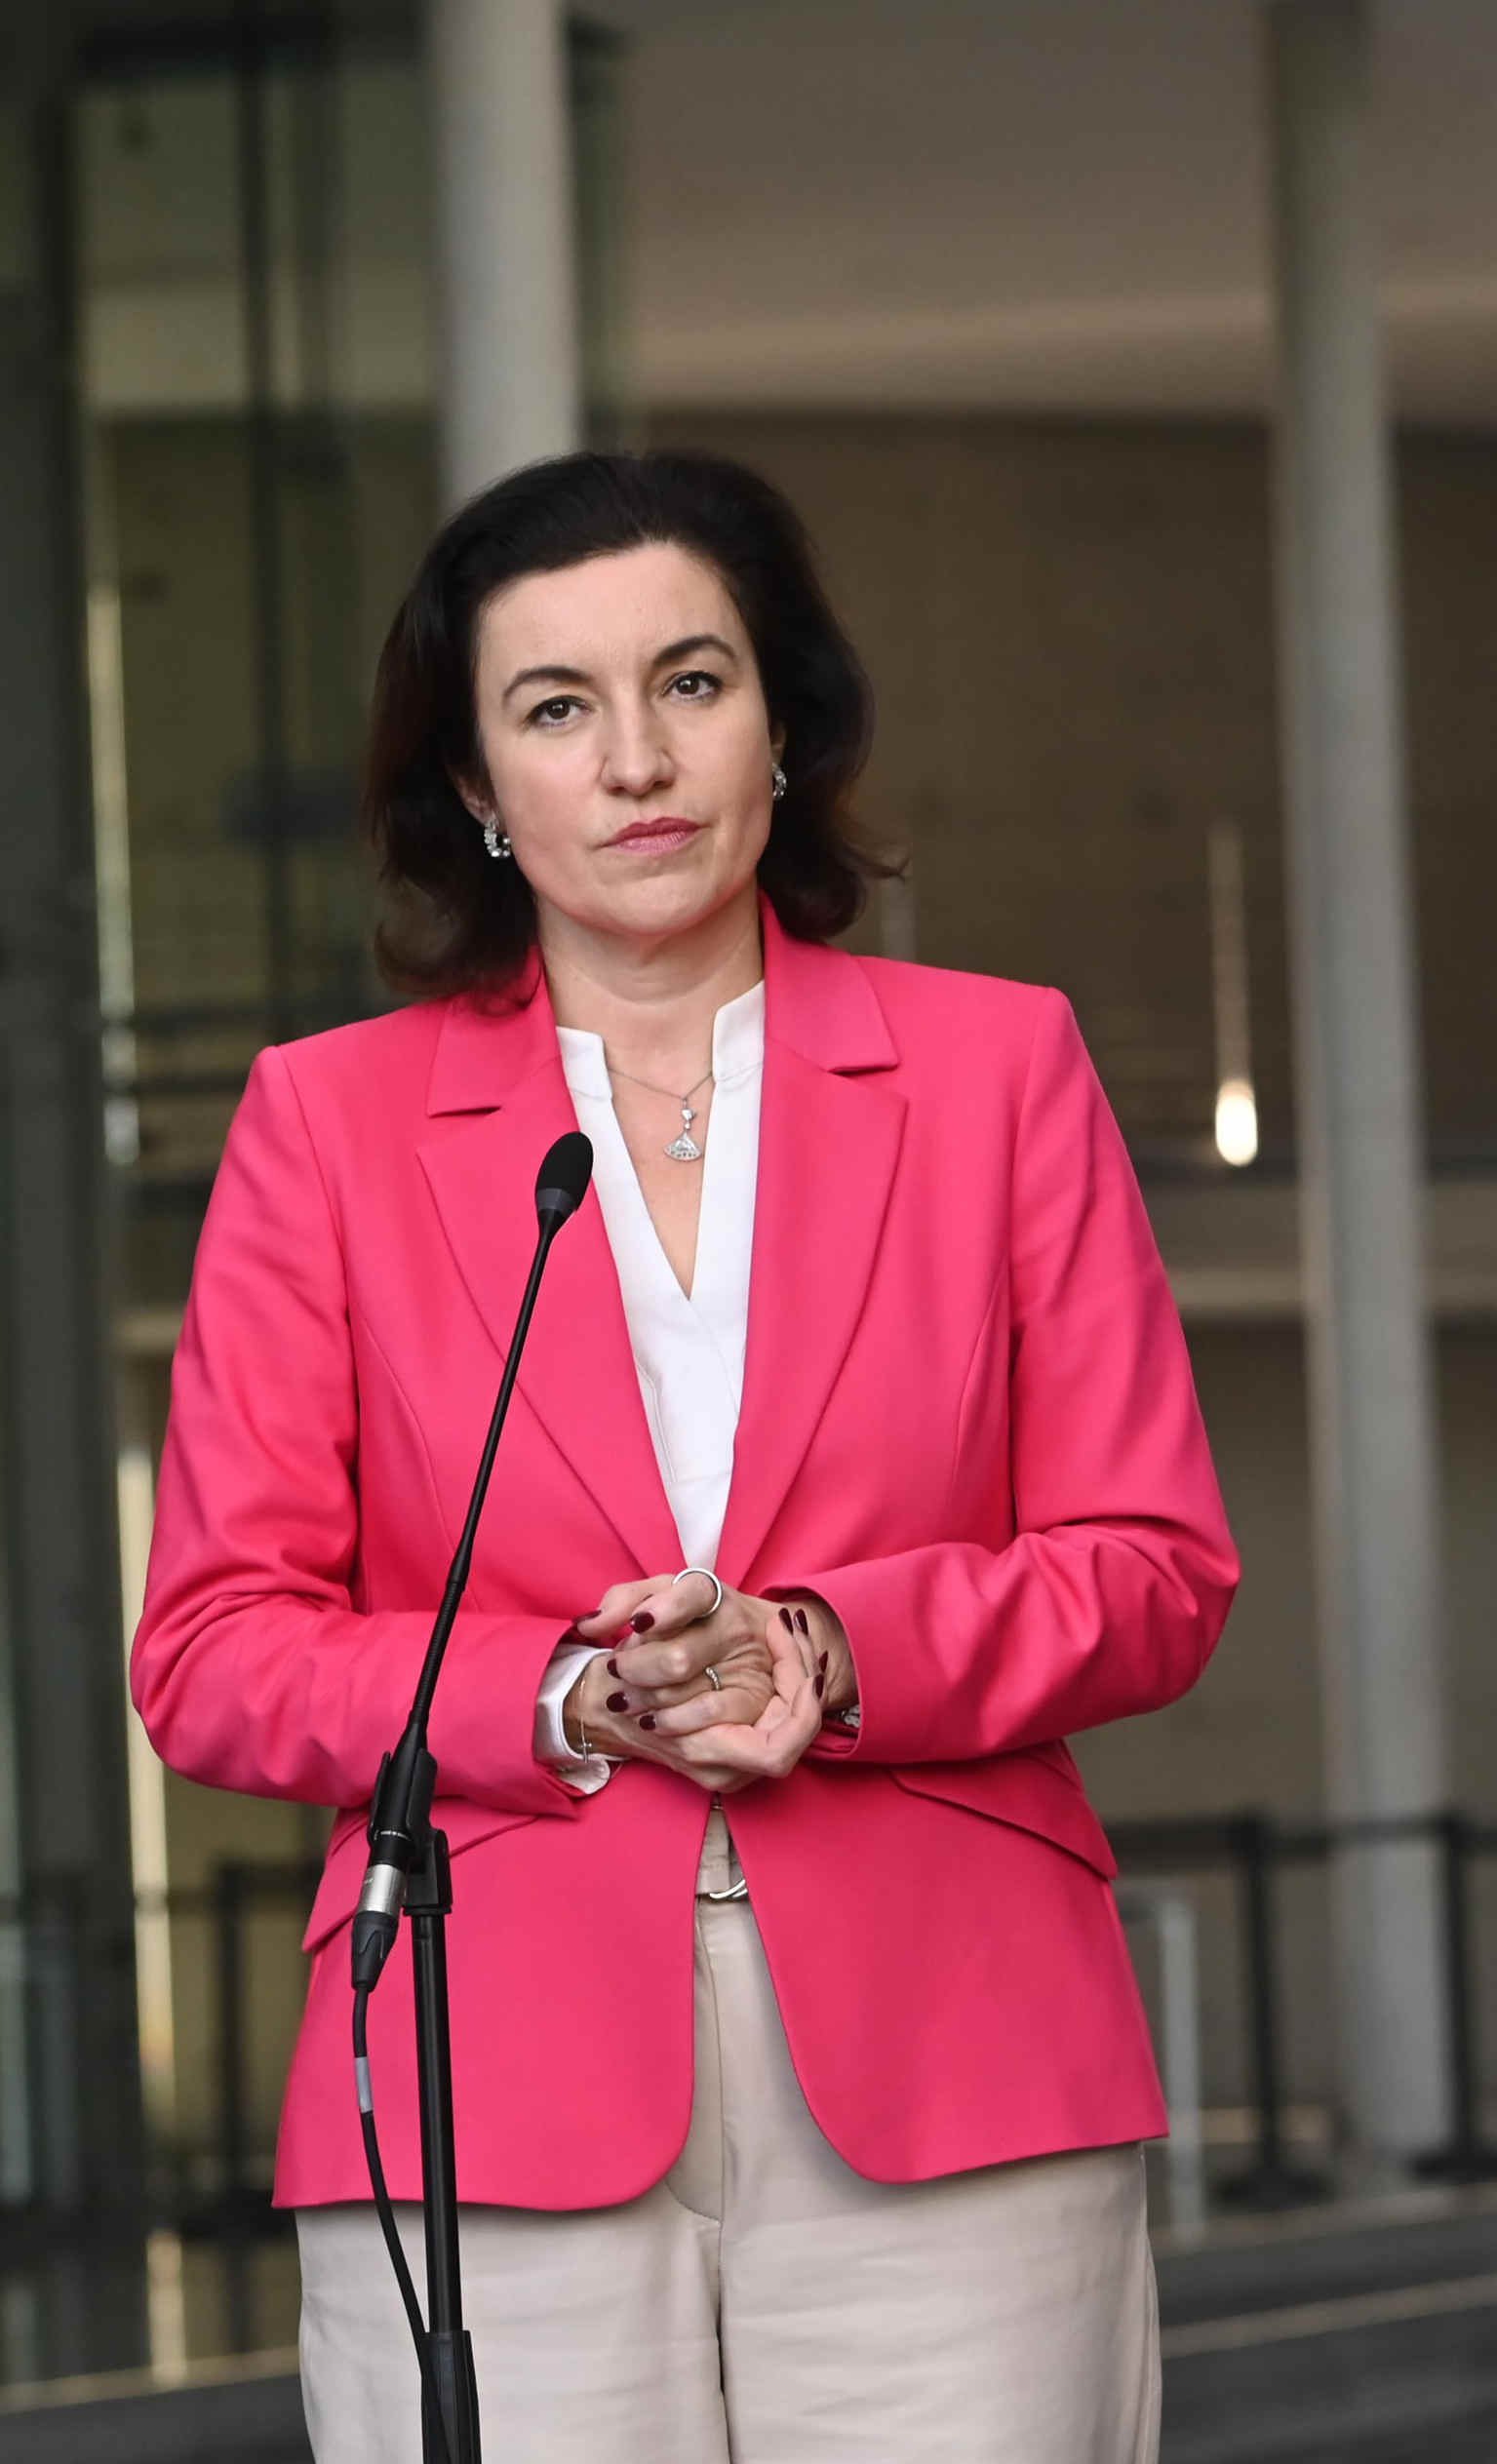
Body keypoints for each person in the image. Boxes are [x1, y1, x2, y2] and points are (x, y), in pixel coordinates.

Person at [132, 450, 1240, 2462]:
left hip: (958, 2052)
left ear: (786, 721)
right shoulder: (326, 1124)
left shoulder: (1000, 1069)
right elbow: (211, 1643)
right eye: (554, 707)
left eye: (692, 682)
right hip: (492, 2059)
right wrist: (562, 1691)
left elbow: (1155, 1564)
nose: (634, 758)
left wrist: (825, 1648)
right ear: (476, 780)